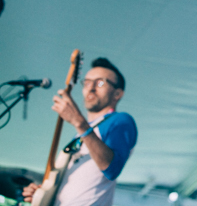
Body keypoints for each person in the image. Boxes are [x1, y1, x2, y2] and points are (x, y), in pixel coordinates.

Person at [22, 57, 137, 206]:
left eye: (100, 82)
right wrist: (42, 194)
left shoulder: (120, 120)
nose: (91, 88)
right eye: (87, 82)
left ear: (117, 94)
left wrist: (79, 122)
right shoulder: (82, 134)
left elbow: (112, 169)